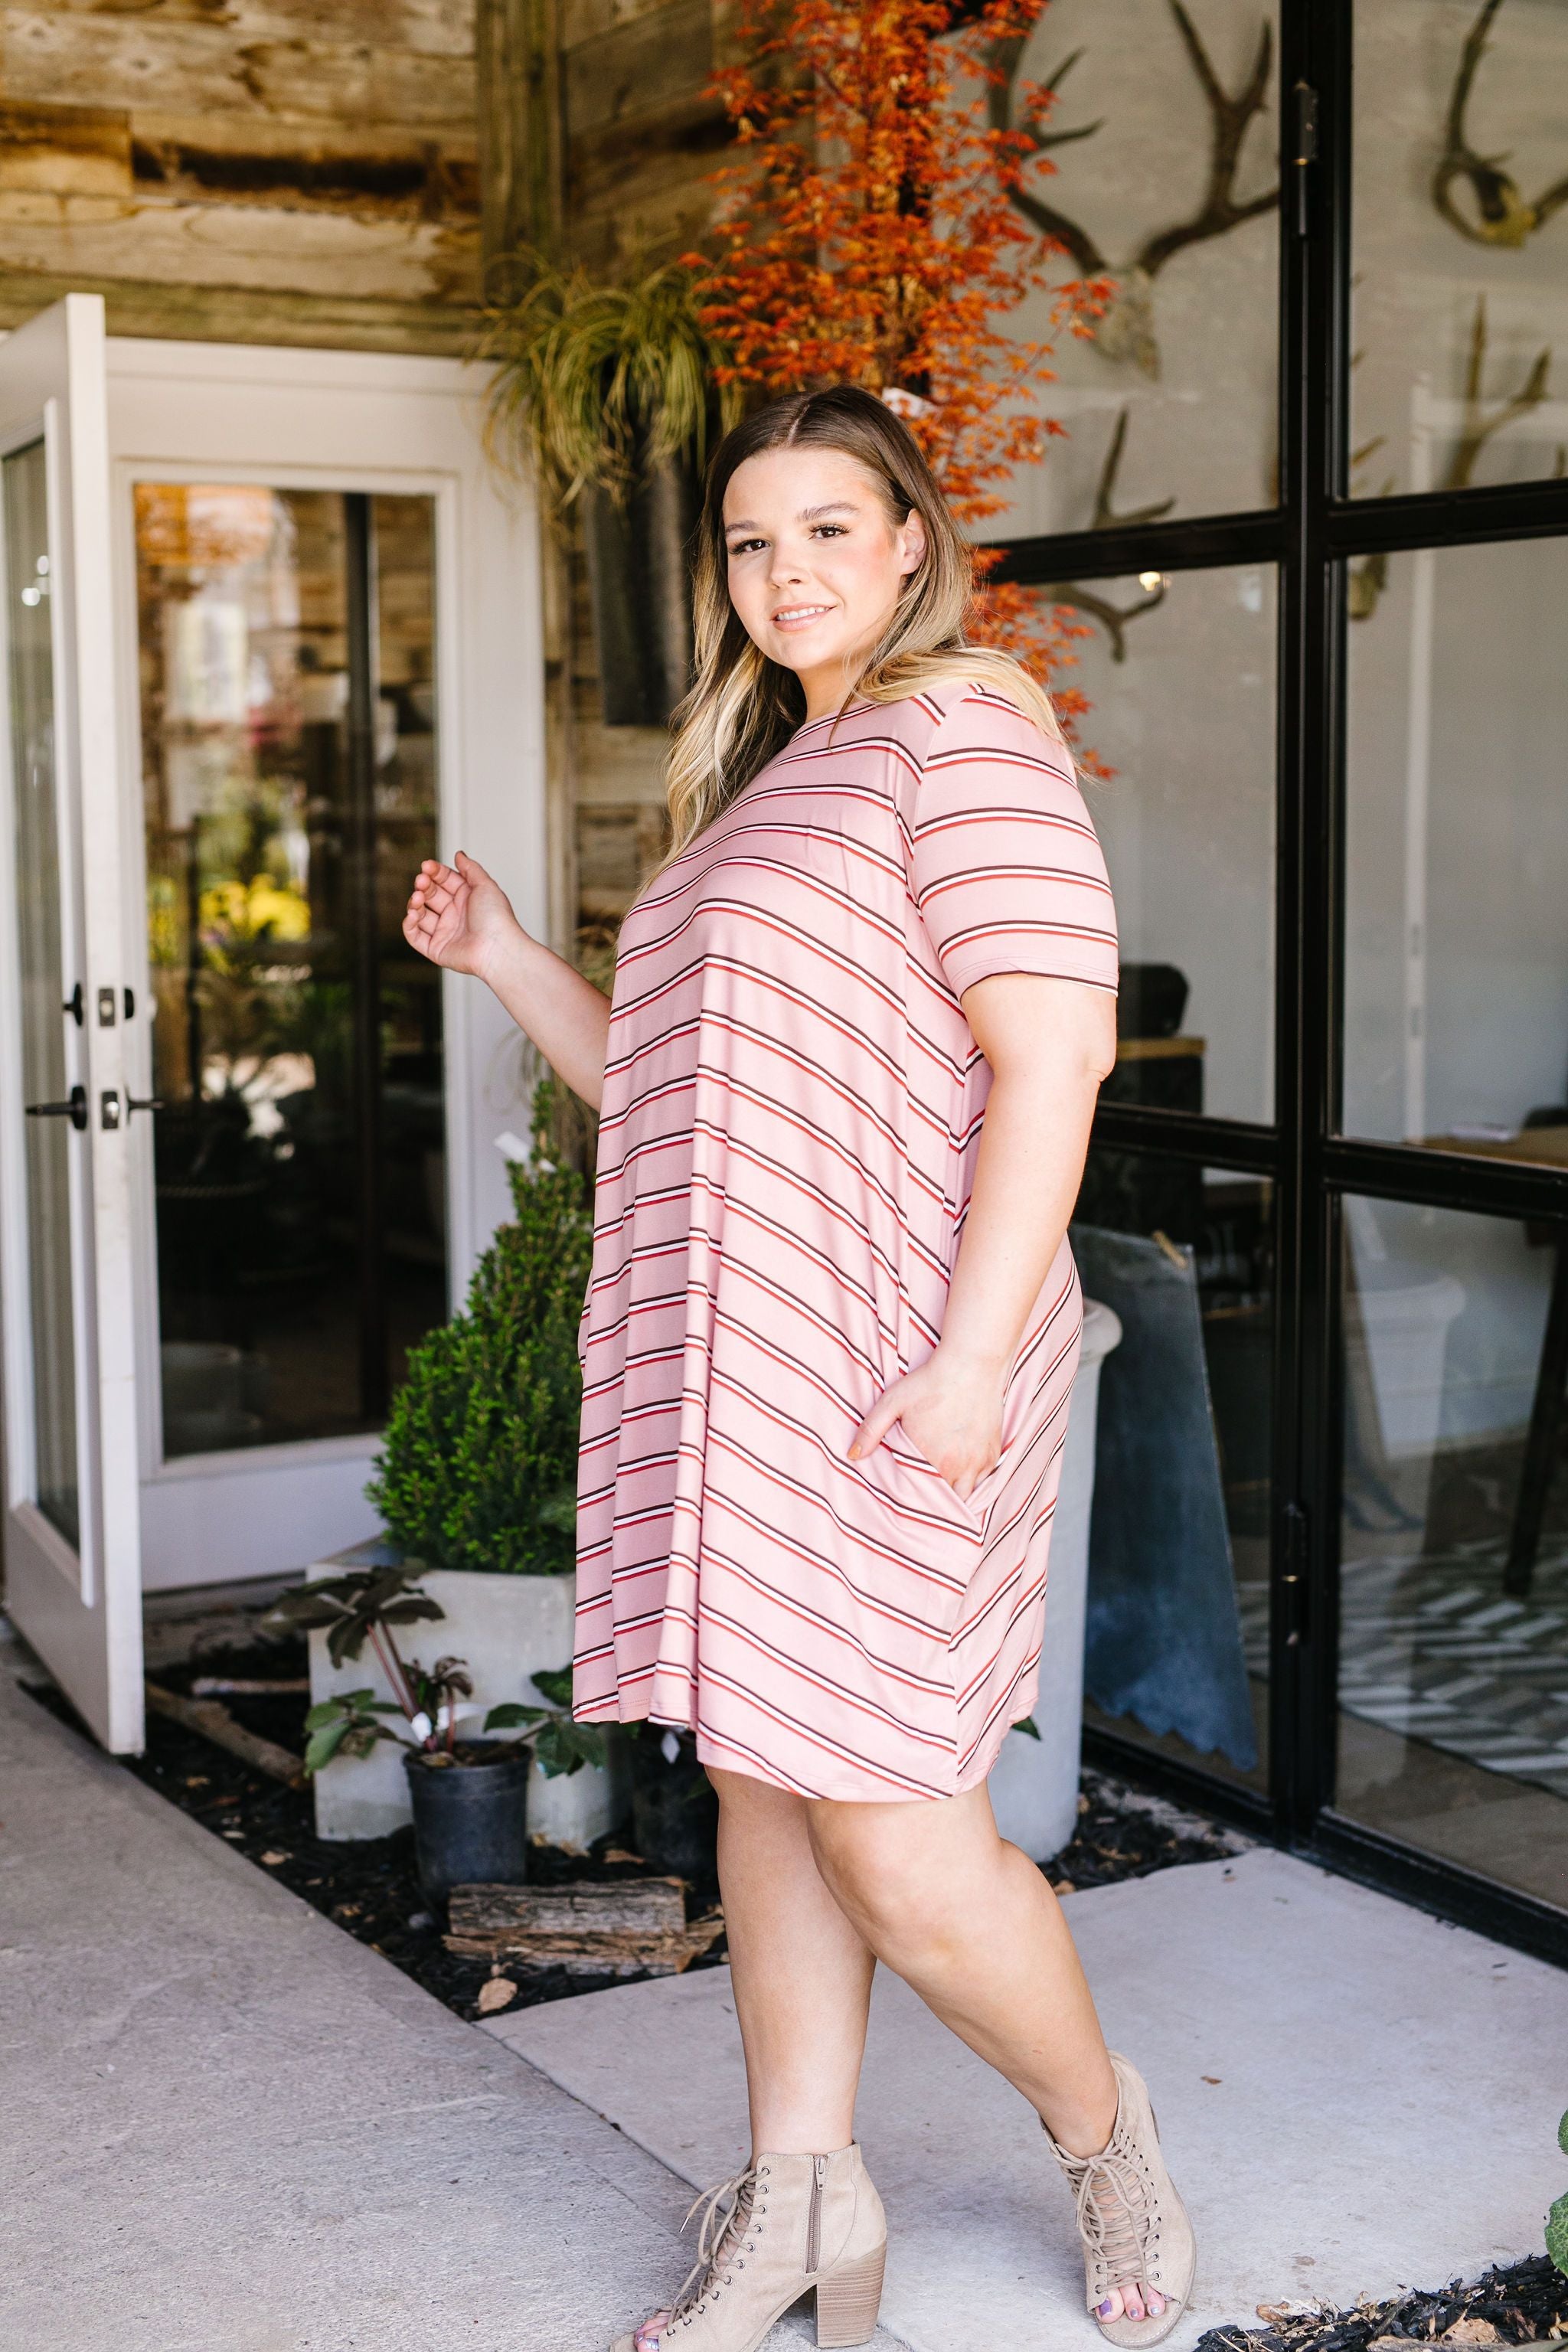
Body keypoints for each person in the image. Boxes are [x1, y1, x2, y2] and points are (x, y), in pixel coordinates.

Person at [403, 385, 1194, 2352]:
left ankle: (1106, 2134)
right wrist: (510, 956)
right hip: (738, 1372)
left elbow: (1054, 1064)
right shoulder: (765, 778)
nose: (787, 574)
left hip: (897, 1368)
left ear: (908, 539)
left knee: (900, 1835)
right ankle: (802, 2199)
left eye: (828, 531)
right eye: (754, 543)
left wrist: (970, 1360)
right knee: (765, 1786)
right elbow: (669, 1091)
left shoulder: (966, 735)